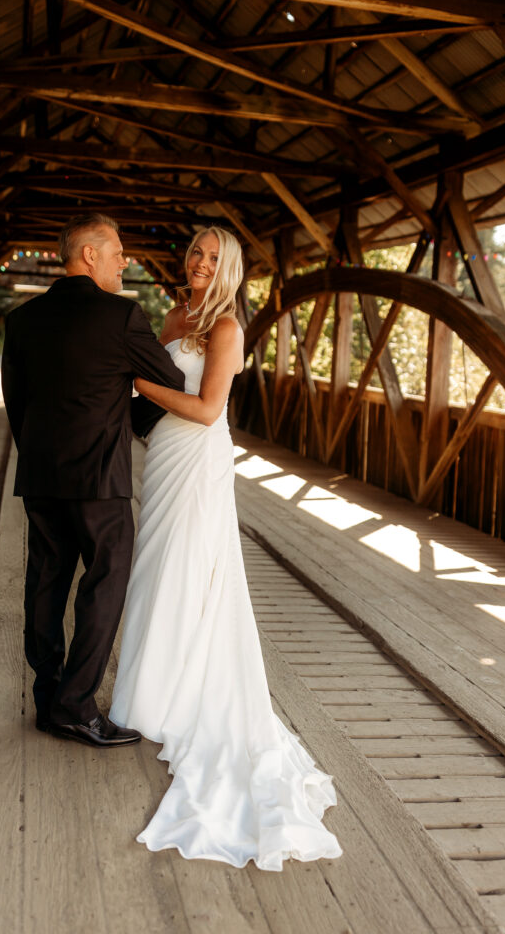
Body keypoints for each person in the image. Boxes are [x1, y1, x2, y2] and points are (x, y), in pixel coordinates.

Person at [110, 225, 342, 870]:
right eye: (196, 253)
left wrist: (137, 384)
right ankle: (150, 690)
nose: (201, 264)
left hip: (198, 457)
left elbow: (209, 409)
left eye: (216, 258)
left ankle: (174, 698)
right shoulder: (174, 314)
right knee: (157, 569)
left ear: (233, 270)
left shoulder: (227, 328)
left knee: (189, 569)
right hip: (162, 458)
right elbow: (148, 382)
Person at [1, 213, 185, 748]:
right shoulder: (121, 317)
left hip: (40, 475)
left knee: (46, 581)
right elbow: (170, 384)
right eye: (117, 251)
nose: (124, 260)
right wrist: (124, 422)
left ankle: (47, 698)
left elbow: (18, 404)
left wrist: (40, 450)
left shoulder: (22, 319)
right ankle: (77, 707)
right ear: (89, 255)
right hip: (100, 478)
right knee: (104, 585)